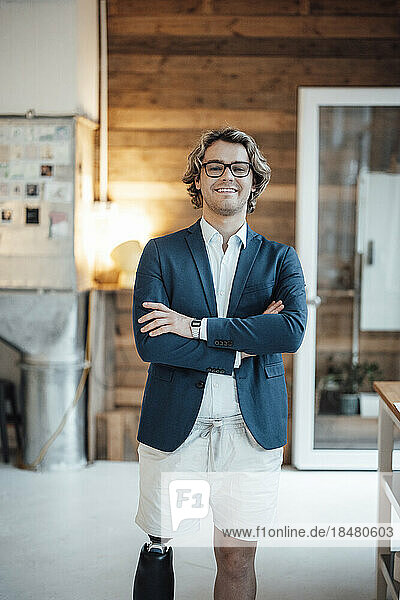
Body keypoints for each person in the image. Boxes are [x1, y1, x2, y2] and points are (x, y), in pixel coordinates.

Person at [131, 127, 308, 600]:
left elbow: (290, 332)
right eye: (215, 166)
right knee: (160, 544)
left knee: (237, 555)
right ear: (199, 178)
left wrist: (196, 327)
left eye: (239, 167)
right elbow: (152, 345)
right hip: (176, 427)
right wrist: (247, 344)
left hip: (250, 431)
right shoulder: (160, 253)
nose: (226, 175)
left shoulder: (280, 258)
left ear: (254, 182)